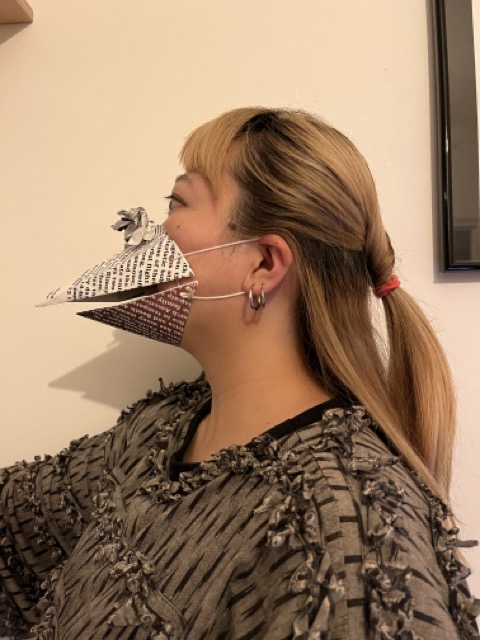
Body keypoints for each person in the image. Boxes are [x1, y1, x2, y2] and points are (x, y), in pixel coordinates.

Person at [0, 107, 478, 640]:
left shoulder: (342, 528)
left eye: (176, 202)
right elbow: (15, 529)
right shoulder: (156, 431)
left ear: (264, 264)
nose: (149, 233)